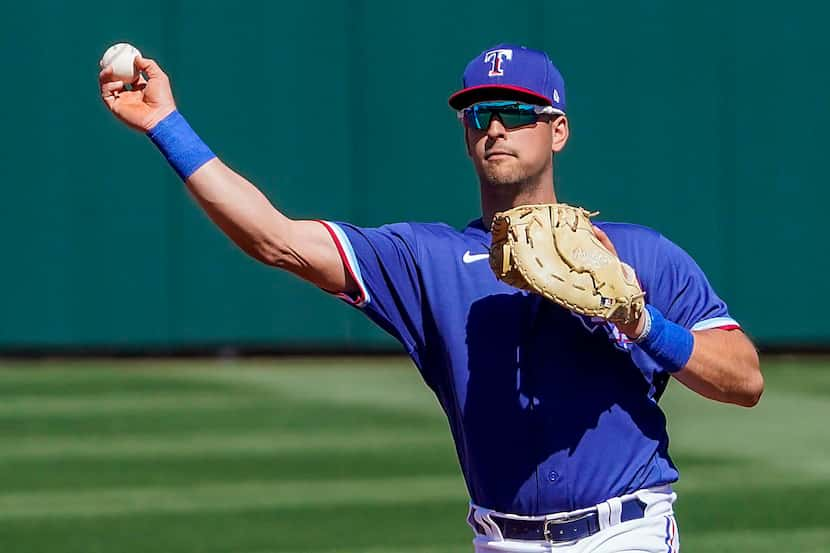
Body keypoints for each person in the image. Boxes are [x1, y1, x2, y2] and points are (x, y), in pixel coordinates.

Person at [99, 42, 763, 552]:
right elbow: (276, 238)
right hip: (500, 537)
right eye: (480, 114)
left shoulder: (637, 254)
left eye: (516, 112)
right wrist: (167, 125)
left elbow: (744, 378)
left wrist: (643, 321)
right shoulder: (429, 260)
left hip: (626, 533)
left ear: (557, 130)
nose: (495, 127)